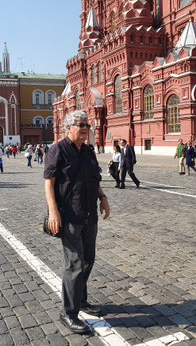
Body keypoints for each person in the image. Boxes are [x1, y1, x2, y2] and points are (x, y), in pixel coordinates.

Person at [44, 110, 110, 334]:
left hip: (89, 214)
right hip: (70, 215)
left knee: (88, 260)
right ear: (68, 127)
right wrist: (53, 212)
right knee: (74, 264)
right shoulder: (58, 150)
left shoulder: (89, 150)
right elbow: (49, 183)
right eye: (81, 125)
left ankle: (81, 300)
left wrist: (103, 197)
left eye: (87, 125)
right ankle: (69, 313)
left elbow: (95, 178)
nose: (85, 128)